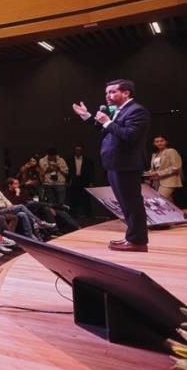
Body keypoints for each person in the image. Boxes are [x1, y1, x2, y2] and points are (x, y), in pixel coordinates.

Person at [72, 79, 150, 251]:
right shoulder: (119, 111)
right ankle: (132, 237)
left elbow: (130, 136)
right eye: (107, 92)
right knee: (125, 204)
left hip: (127, 165)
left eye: (113, 92)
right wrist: (87, 116)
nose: (108, 96)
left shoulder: (137, 111)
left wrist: (108, 121)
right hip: (115, 164)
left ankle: (138, 241)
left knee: (132, 203)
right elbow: (106, 130)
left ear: (126, 93)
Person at [146, 135, 182, 200]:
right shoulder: (155, 154)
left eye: (162, 141)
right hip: (157, 181)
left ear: (166, 142)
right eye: (157, 141)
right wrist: (148, 173)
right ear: (154, 143)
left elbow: (176, 167)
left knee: (160, 200)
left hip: (168, 181)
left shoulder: (171, 151)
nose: (159, 143)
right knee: (168, 203)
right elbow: (154, 168)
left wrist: (158, 173)